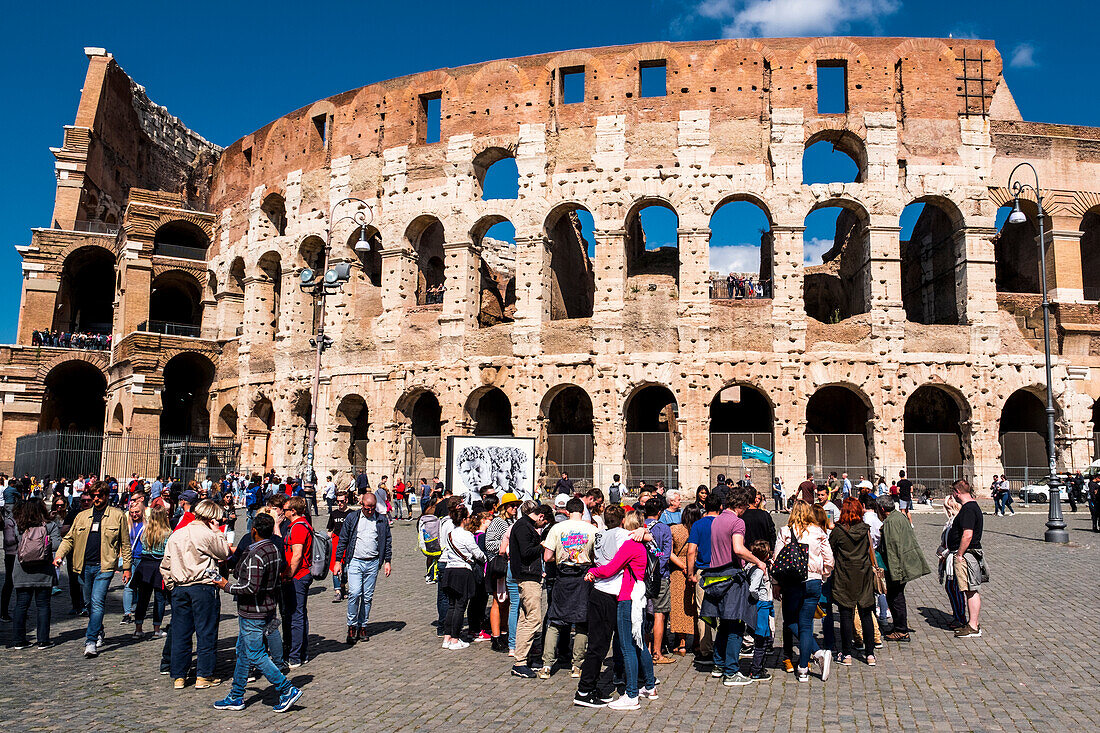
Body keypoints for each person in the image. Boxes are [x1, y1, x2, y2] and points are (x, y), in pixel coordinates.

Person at [212, 512, 304, 714]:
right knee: (243, 652)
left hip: (253, 611)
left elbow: (250, 586)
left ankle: (286, 688)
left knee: (255, 653)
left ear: (253, 530)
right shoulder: (273, 548)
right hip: (267, 607)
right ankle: (236, 695)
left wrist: (225, 585)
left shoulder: (256, 553)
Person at [585, 509, 656, 710]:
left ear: (627, 526)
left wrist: (592, 571)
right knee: (639, 642)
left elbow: (609, 569)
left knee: (627, 647)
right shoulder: (644, 545)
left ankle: (631, 694)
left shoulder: (630, 545)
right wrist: (646, 532)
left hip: (628, 598)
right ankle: (649, 686)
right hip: (639, 598)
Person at [53, 481, 132, 658]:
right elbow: (68, 539)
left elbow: (125, 544)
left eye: (99, 496)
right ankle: (99, 630)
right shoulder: (82, 516)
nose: (96, 499)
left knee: (97, 602)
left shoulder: (117, 515)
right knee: (89, 604)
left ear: (106, 496)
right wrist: (59, 556)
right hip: (83, 566)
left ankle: (91, 641)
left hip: (104, 566)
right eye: (93, 496)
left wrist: (127, 567)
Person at [160, 499, 231, 689]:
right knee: (206, 631)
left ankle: (179, 676)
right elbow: (224, 553)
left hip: (180, 587)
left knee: (181, 633)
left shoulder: (178, 534)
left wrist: (171, 586)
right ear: (212, 518)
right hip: (202, 587)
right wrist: (218, 533)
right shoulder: (207, 534)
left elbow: (165, 564)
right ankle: (203, 675)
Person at [701, 486, 767, 686]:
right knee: (737, 625)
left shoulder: (716, 520)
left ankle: (719, 664)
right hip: (731, 578)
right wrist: (758, 561)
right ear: (740, 505)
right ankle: (731, 672)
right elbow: (738, 549)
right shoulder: (737, 522)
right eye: (745, 506)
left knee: (723, 624)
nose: (746, 510)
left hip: (715, 577)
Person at [773, 500, 833, 682]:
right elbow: (829, 559)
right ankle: (803, 669)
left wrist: (776, 583)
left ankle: (817, 653)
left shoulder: (785, 531)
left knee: (791, 621)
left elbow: (777, 560)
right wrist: (823, 575)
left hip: (792, 582)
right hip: (813, 581)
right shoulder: (818, 532)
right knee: (806, 624)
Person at [540, 497, 596, 678]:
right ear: (582, 510)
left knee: (555, 620)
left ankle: (547, 665)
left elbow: (547, 557)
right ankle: (577, 665)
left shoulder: (557, 528)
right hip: (584, 577)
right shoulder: (592, 529)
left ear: (567, 511)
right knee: (581, 621)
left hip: (563, 576)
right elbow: (597, 556)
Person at [333, 492, 393, 645]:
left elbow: (387, 540)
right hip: (355, 561)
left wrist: (387, 561)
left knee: (367, 596)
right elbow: (343, 540)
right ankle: (352, 625)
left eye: (373, 508)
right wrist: (338, 561)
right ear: (362, 505)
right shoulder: (353, 518)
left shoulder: (381, 519)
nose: (370, 511)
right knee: (354, 593)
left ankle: (363, 625)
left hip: (373, 562)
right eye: (367, 508)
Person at [5, 499, 62, 649]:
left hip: (22, 570)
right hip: (43, 570)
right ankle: (43, 640)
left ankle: (19, 640)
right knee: (43, 605)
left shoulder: (21, 526)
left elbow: (13, 541)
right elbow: (57, 544)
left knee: (21, 605)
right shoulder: (50, 525)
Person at [829, 498, 878, 666]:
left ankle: (847, 654)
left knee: (846, 614)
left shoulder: (838, 531)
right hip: (863, 575)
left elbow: (831, 550)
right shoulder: (865, 530)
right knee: (866, 614)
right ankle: (870, 654)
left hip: (844, 575)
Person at [880, 495, 930, 642]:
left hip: (897, 567)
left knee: (896, 598)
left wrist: (895, 572)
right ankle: (898, 626)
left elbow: (893, 547)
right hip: (901, 565)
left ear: (882, 509)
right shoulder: (898, 516)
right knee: (895, 597)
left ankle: (901, 630)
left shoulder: (891, 521)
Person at [509, 501, 548, 678]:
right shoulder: (524, 527)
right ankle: (520, 662)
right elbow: (526, 552)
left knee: (525, 618)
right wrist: (542, 545)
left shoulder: (524, 525)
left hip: (528, 575)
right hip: (528, 576)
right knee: (533, 619)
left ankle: (523, 657)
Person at [440, 504, 483, 650]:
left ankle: (447, 637)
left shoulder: (450, 534)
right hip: (462, 572)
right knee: (460, 606)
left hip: (450, 570)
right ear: (464, 519)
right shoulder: (467, 535)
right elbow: (477, 553)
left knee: (452, 606)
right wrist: (484, 558)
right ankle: (455, 639)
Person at [686, 493, 721, 663]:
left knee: (703, 611)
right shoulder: (724, 523)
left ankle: (705, 649)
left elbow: (691, 551)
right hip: (722, 571)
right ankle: (723, 647)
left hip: (703, 571)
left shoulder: (698, 525)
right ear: (720, 507)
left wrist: (690, 573)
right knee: (722, 609)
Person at [947, 479, 984, 639]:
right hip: (967, 553)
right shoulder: (971, 507)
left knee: (970, 590)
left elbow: (967, 534)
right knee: (969, 590)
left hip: (967, 554)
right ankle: (972, 623)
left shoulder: (968, 509)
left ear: (957, 492)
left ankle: (973, 625)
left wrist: (960, 554)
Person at [280, 497, 314, 667]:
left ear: (293, 511)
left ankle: (295, 656)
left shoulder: (299, 527)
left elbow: (297, 554)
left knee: (296, 616)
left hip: (298, 576)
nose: (283, 511)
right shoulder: (297, 525)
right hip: (298, 575)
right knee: (299, 614)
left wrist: (288, 575)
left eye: (285, 509)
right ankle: (301, 653)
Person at [641, 498, 674, 665]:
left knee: (645, 613)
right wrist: (656, 570)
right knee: (659, 614)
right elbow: (666, 554)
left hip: (641, 576)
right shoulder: (664, 529)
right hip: (659, 576)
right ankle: (657, 652)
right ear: (660, 512)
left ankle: (645, 650)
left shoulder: (640, 527)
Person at [133, 504, 171, 639]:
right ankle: (156, 629)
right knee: (160, 599)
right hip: (158, 567)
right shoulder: (167, 533)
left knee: (142, 599)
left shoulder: (145, 531)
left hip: (145, 566)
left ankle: (138, 628)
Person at [666, 504, 699, 656]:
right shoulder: (698, 530)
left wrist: (682, 565)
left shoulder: (675, 530)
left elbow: (669, 552)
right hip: (696, 568)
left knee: (679, 606)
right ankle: (698, 641)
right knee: (695, 606)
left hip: (678, 571)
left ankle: (682, 643)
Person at [936, 495, 968, 629]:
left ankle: (960, 617)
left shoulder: (958, 520)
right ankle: (957, 615)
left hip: (954, 556)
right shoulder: (950, 521)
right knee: (951, 587)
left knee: (955, 587)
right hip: (948, 556)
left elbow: (956, 541)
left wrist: (945, 552)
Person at [746, 539, 774, 680]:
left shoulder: (750, 567)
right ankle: (756, 670)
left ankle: (758, 667)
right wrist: (757, 597)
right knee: (761, 640)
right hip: (761, 606)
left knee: (764, 638)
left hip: (761, 606)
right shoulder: (757, 570)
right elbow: (752, 588)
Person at [326, 493, 351, 602]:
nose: (339, 503)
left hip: (348, 543)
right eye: (338, 501)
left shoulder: (352, 514)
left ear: (346, 500)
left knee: (345, 569)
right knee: (335, 568)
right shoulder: (334, 514)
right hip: (336, 543)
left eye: (341, 501)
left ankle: (342, 585)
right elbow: (329, 530)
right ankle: (337, 592)